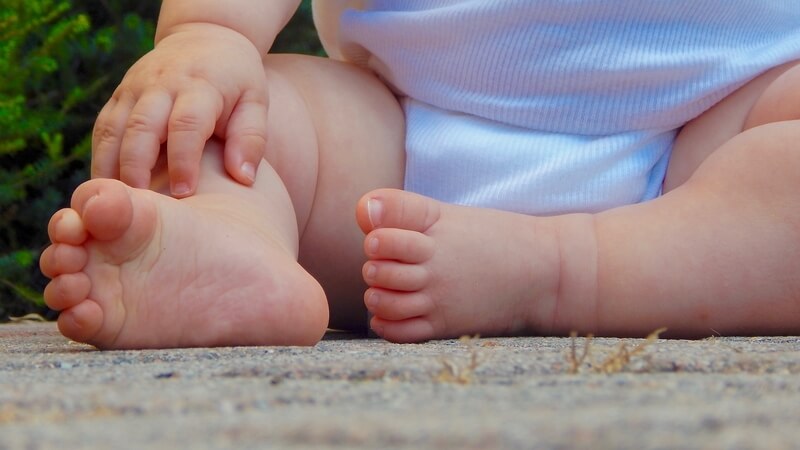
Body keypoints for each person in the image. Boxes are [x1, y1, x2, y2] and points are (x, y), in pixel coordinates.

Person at [39, 0, 800, 349]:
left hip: (712, 143)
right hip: (399, 143)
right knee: (239, 115)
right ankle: (233, 242)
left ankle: (560, 270)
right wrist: (212, 31)